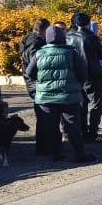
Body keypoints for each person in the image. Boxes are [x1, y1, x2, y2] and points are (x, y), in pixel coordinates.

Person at [25, 25, 95, 163]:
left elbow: (29, 73)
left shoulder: (39, 53)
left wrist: (42, 81)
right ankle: (79, 153)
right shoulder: (71, 53)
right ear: (63, 38)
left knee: (51, 127)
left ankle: (56, 154)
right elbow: (83, 73)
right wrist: (76, 84)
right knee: (73, 125)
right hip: (68, 96)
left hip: (45, 98)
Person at [66, 12, 102, 141]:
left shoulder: (68, 37)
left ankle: (82, 130)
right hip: (93, 73)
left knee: (81, 103)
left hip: (76, 74)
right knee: (96, 103)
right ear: (88, 23)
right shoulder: (91, 37)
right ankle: (93, 131)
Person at [19, 18, 51, 155]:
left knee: (42, 114)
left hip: (31, 82)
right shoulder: (36, 42)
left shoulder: (26, 40)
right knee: (44, 115)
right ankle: (44, 146)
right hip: (37, 83)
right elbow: (35, 64)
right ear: (44, 30)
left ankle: (43, 146)